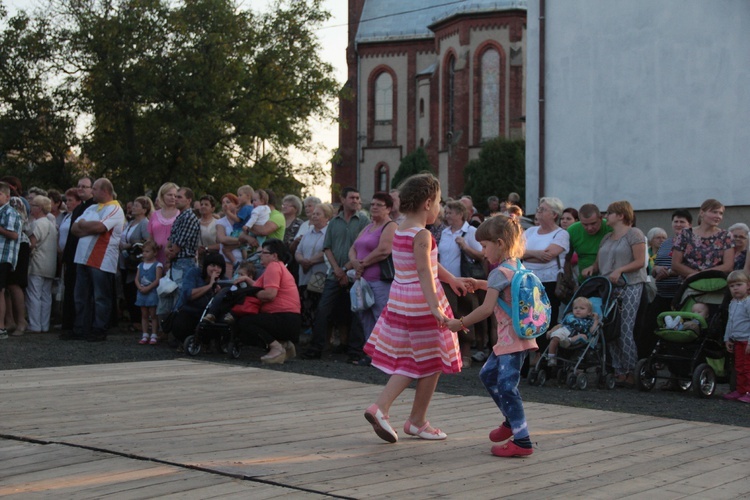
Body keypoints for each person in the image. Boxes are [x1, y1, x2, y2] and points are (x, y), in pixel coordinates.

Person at [363, 173, 466, 444]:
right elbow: (424, 272)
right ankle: (405, 416)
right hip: (421, 301)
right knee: (431, 358)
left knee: (420, 358)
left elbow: (426, 264)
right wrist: (436, 308)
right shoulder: (422, 234)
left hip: (402, 299)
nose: (440, 209)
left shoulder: (401, 227)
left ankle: (404, 416)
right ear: (428, 202)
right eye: (439, 203)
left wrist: (452, 279)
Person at [446, 214, 536, 457]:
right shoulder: (515, 265)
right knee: (488, 375)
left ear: (500, 243)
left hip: (511, 340)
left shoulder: (499, 272)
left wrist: (460, 323)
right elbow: (502, 286)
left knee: (507, 387)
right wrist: (480, 282)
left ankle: (522, 439)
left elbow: (486, 309)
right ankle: (511, 420)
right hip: (516, 336)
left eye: (485, 246)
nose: (482, 252)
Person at [301, 187, 370, 361]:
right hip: (334, 274)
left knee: (356, 312)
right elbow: (327, 247)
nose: (355, 200)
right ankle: (316, 347)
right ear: (343, 199)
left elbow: (362, 248)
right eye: (352, 197)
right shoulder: (334, 222)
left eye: (357, 197)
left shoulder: (363, 221)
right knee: (323, 310)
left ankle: (354, 351)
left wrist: (345, 269)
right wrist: (337, 270)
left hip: (355, 274)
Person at [583, 201, 646, 388]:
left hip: (630, 285)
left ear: (620, 215)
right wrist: (592, 268)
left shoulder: (634, 234)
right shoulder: (607, 238)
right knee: (609, 326)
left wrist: (620, 270)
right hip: (608, 287)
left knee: (625, 327)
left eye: (609, 213)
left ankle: (631, 369)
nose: (606, 216)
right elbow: (599, 261)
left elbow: (640, 261)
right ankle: (618, 370)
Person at [69, 178, 125, 342]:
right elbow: (74, 228)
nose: (91, 192)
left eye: (94, 188)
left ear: (104, 191)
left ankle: (99, 329)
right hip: (82, 258)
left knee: (101, 298)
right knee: (80, 296)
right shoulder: (92, 207)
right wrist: (90, 227)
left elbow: (101, 228)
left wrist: (85, 225)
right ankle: (80, 328)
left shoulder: (115, 209)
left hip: (101, 259)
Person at [231, 239, 302, 364]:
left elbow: (269, 295)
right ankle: (286, 345)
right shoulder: (278, 267)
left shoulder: (273, 267)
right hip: (291, 320)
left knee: (245, 322)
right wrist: (248, 281)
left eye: (264, 253)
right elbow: (263, 288)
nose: (260, 255)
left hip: (284, 319)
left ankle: (277, 348)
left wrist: (251, 291)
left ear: (274, 256)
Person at [348, 192, 397, 364]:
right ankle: (372, 355)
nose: (374, 207)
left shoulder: (390, 226)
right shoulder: (369, 226)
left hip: (379, 280)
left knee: (380, 317)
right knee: (365, 317)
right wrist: (354, 262)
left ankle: (386, 356)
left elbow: (384, 250)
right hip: (363, 280)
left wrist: (362, 264)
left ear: (389, 209)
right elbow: (353, 247)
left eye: (379, 205)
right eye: (373, 204)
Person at [438, 200, 484, 366]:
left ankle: (466, 353)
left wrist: (465, 246)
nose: (447, 215)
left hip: (464, 280)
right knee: (449, 315)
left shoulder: (470, 231)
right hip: (446, 282)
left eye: (450, 212)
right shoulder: (445, 232)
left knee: (465, 313)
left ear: (459, 214)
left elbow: (481, 255)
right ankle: (450, 351)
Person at [523, 197, 569, 331]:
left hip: (549, 282)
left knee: (546, 318)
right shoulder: (530, 231)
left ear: (554, 214)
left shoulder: (561, 234)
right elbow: (516, 252)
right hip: (528, 281)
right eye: (539, 209)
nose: (538, 212)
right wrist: (537, 254)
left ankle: (546, 350)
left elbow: (547, 256)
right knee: (528, 317)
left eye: (543, 210)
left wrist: (526, 255)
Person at [171, 253, 228, 344]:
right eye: (212, 265)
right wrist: (210, 286)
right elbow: (189, 295)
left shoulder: (224, 280)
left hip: (207, 316)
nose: (215, 269)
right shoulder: (194, 273)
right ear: (206, 266)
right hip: (189, 311)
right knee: (181, 325)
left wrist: (219, 293)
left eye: (219, 267)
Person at [671, 199, 734, 278]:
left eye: (721, 213)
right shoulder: (685, 234)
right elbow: (675, 264)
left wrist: (702, 275)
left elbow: (728, 266)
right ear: (702, 213)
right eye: (714, 212)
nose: (718, 216)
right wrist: (696, 276)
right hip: (690, 283)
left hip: (716, 283)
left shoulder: (725, 236)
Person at [295, 203, 332, 335]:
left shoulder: (329, 233)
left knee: (318, 306)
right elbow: (298, 251)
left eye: (318, 214)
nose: (314, 216)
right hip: (305, 275)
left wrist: (310, 261)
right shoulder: (307, 233)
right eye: (313, 213)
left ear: (327, 217)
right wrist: (301, 260)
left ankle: (319, 335)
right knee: (306, 305)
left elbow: (327, 251)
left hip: (320, 276)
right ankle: (308, 332)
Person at [119, 195, 152, 331]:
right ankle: (134, 320)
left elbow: (147, 241)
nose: (133, 208)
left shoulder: (144, 223)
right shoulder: (130, 222)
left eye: (137, 206)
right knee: (127, 290)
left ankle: (138, 321)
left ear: (144, 210)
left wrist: (130, 245)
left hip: (135, 262)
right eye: (133, 205)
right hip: (125, 262)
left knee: (133, 290)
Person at [26, 196, 58, 333]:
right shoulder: (51, 224)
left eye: (33, 205)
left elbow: (32, 243)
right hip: (50, 264)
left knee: (34, 294)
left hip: (37, 263)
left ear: (39, 208)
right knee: (46, 296)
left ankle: (34, 325)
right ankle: (44, 325)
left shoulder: (37, 224)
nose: (31, 207)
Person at [545, 297, 599, 366]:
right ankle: (551, 357)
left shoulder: (589, 321)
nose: (578, 310)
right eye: (575, 308)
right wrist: (551, 330)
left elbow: (592, 331)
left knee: (584, 336)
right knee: (555, 337)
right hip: (565, 331)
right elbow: (560, 325)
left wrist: (596, 320)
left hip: (578, 336)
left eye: (582, 308)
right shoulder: (569, 316)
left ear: (589, 313)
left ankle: (568, 340)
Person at [566, 203, 613, 282]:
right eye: (585, 224)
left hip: (609, 279)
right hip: (585, 281)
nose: (590, 228)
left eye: (593, 223)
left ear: (600, 218)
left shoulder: (610, 227)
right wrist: (570, 281)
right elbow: (567, 259)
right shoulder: (572, 230)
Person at [723, 270, 750, 403]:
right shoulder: (733, 303)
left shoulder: (748, 302)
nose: (735, 288)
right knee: (739, 367)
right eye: (732, 286)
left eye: (739, 284)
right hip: (737, 341)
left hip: (747, 341)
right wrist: (727, 338)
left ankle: (748, 391)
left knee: (747, 367)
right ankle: (740, 390)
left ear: (748, 285)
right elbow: (730, 321)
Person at [0, 182, 22, 339]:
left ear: (7, 196)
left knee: (0, 292)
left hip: (3, 256)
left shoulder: (10, 212)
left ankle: (1, 327)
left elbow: (14, 234)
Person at [135, 240, 163, 345]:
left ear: (154, 252)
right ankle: (145, 333)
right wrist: (139, 287)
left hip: (152, 292)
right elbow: (136, 278)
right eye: (144, 251)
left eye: (147, 251)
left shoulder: (157, 265)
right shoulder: (140, 265)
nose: (144, 254)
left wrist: (148, 288)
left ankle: (154, 334)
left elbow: (157, 279)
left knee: (153, 314)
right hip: (142, 291)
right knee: (144, 314)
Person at [147, 182, 179, 265]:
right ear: (162, 196)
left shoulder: (181, 214)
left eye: (175, 196)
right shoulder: (154, 215)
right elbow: (150, 238)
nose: (173, 198)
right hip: (156, 258)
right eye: (169, 195)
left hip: (174, 257)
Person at [216, 194, 244, 275]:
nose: (225, 204)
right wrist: (242, 241)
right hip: (226, 261)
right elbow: (222, 239)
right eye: (223, 202)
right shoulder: (220, 222)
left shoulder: (242, 221)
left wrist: (232, 241)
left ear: (236, 204)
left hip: (243, 261)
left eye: (228, 202)